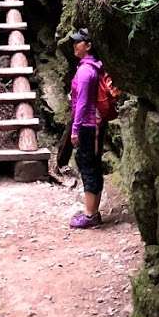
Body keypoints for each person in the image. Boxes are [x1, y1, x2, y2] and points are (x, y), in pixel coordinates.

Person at [68, 28, 103, 229]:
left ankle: (90, 215)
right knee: (94, 165)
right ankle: (94, 212)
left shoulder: (84, 71)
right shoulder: (94, 67)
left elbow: (81, 103)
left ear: (88, 46)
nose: (75, 45)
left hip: (86, 124)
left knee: (87, 165)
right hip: (94, 123)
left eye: (79, 42)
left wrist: (75, 129)